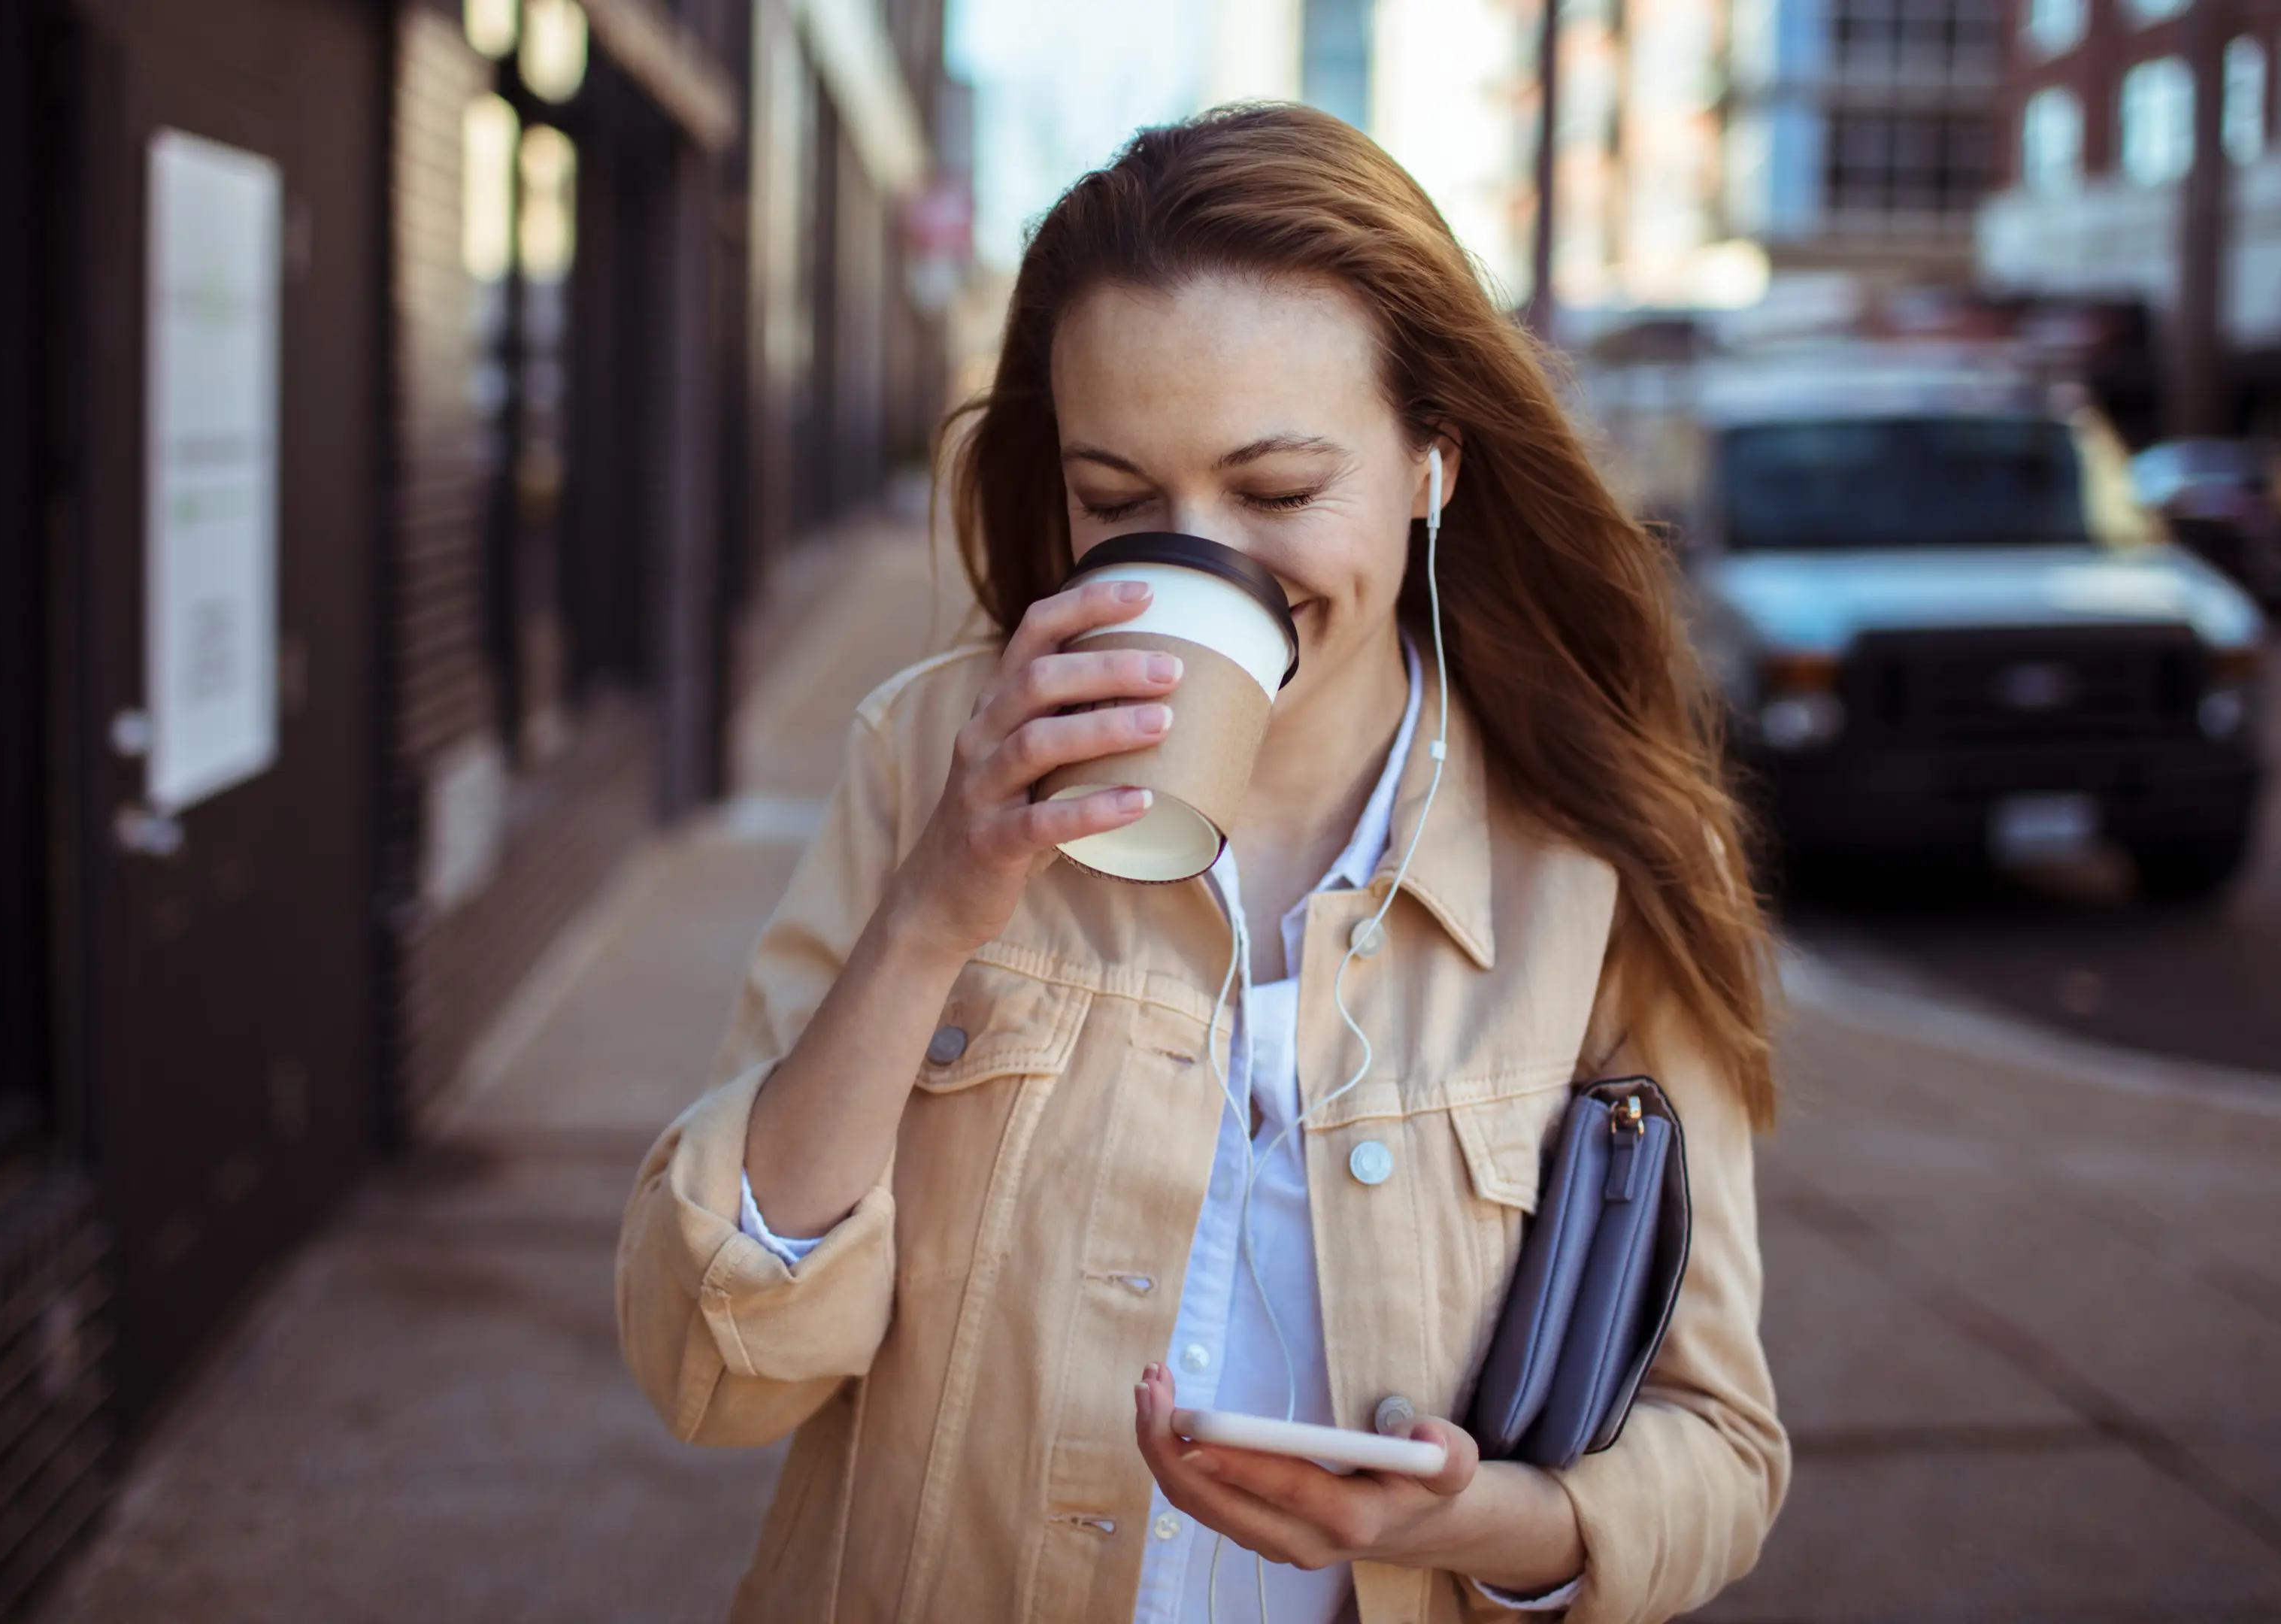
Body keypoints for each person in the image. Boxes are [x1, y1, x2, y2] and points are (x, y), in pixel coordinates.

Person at [619, 104, 1787, 1623]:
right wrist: (934, 911)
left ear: (1435, 459)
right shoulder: (930, 756)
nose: (1198, 561)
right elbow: (715, 1368)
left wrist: (1476, 1523)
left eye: (1279, 493)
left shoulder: (1599, 854)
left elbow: (1722, 1450)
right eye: (1118, 502)